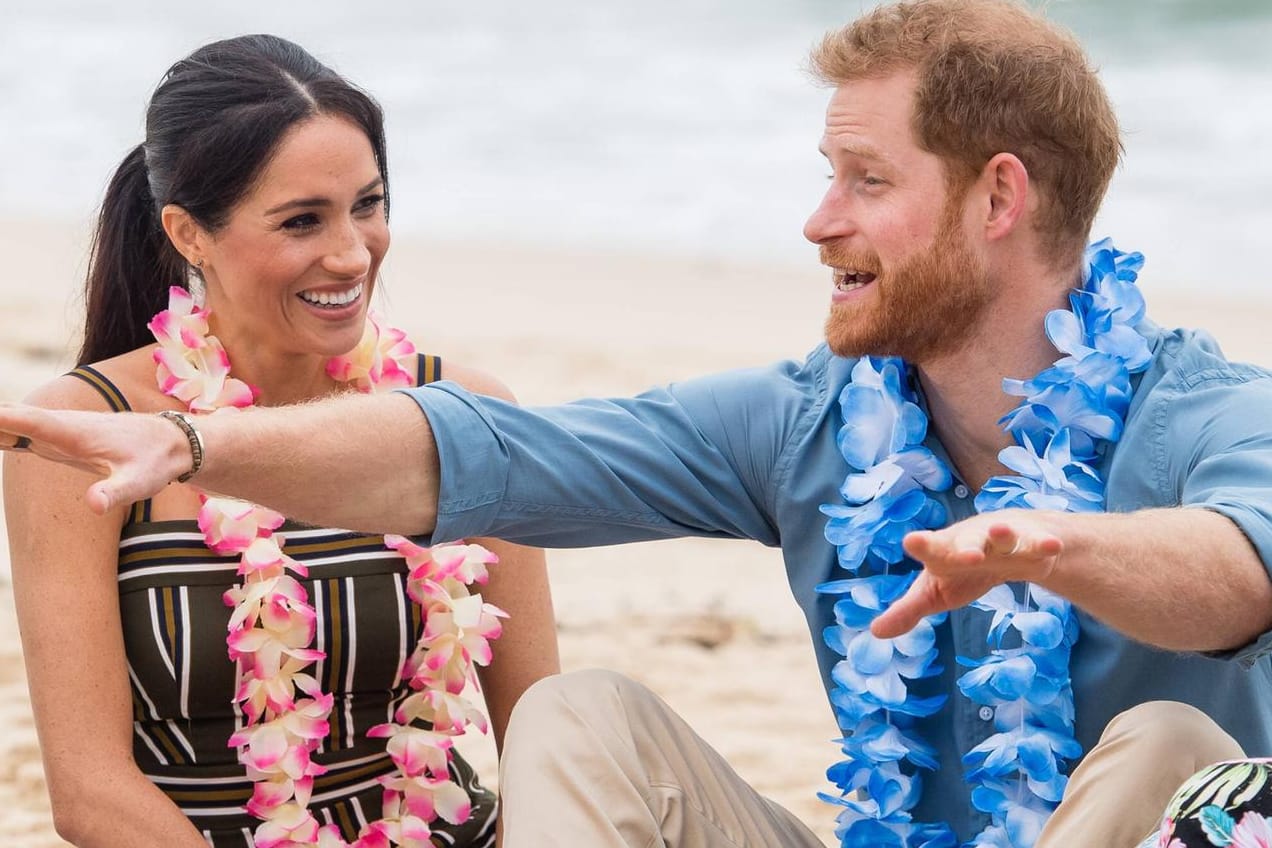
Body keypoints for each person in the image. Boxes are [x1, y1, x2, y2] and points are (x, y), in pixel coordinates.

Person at [3, 1, 1271, 846]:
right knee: (581, 717)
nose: (817, 221)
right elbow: (499, 452)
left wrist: (1058, 547)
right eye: (826, 176)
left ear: (1000, 197)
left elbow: (1239, 571)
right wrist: (197, 444)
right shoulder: (811, 422)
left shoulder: (1216, 413)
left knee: (1169, 742)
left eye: (866, 182)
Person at [1, 34, 559, 848]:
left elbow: (540, 735)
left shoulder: (464, 411)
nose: (351, 252)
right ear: (190, 234)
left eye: (367, 204)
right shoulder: (83, 431)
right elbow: (90, 791)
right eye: (303, 220)